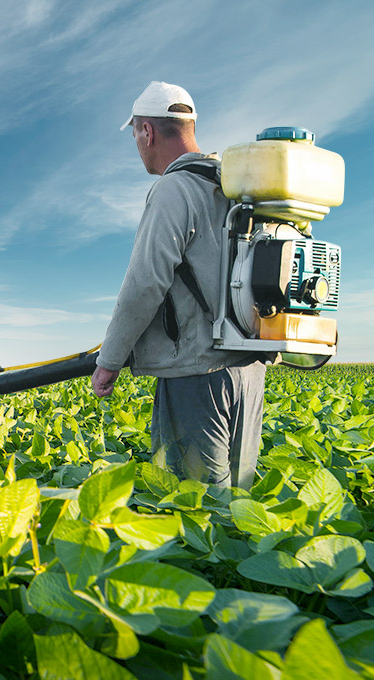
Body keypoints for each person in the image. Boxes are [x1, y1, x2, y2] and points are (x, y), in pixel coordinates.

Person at [91, 81, 266, 491]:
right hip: (250, 370)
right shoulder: (236, 187)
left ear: (147, 132)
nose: (137, 144)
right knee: (237, 506)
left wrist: (110, 359)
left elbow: (144, 283)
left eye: (135, 134)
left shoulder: (174, 189)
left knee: (193, 509)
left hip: (196, 375)